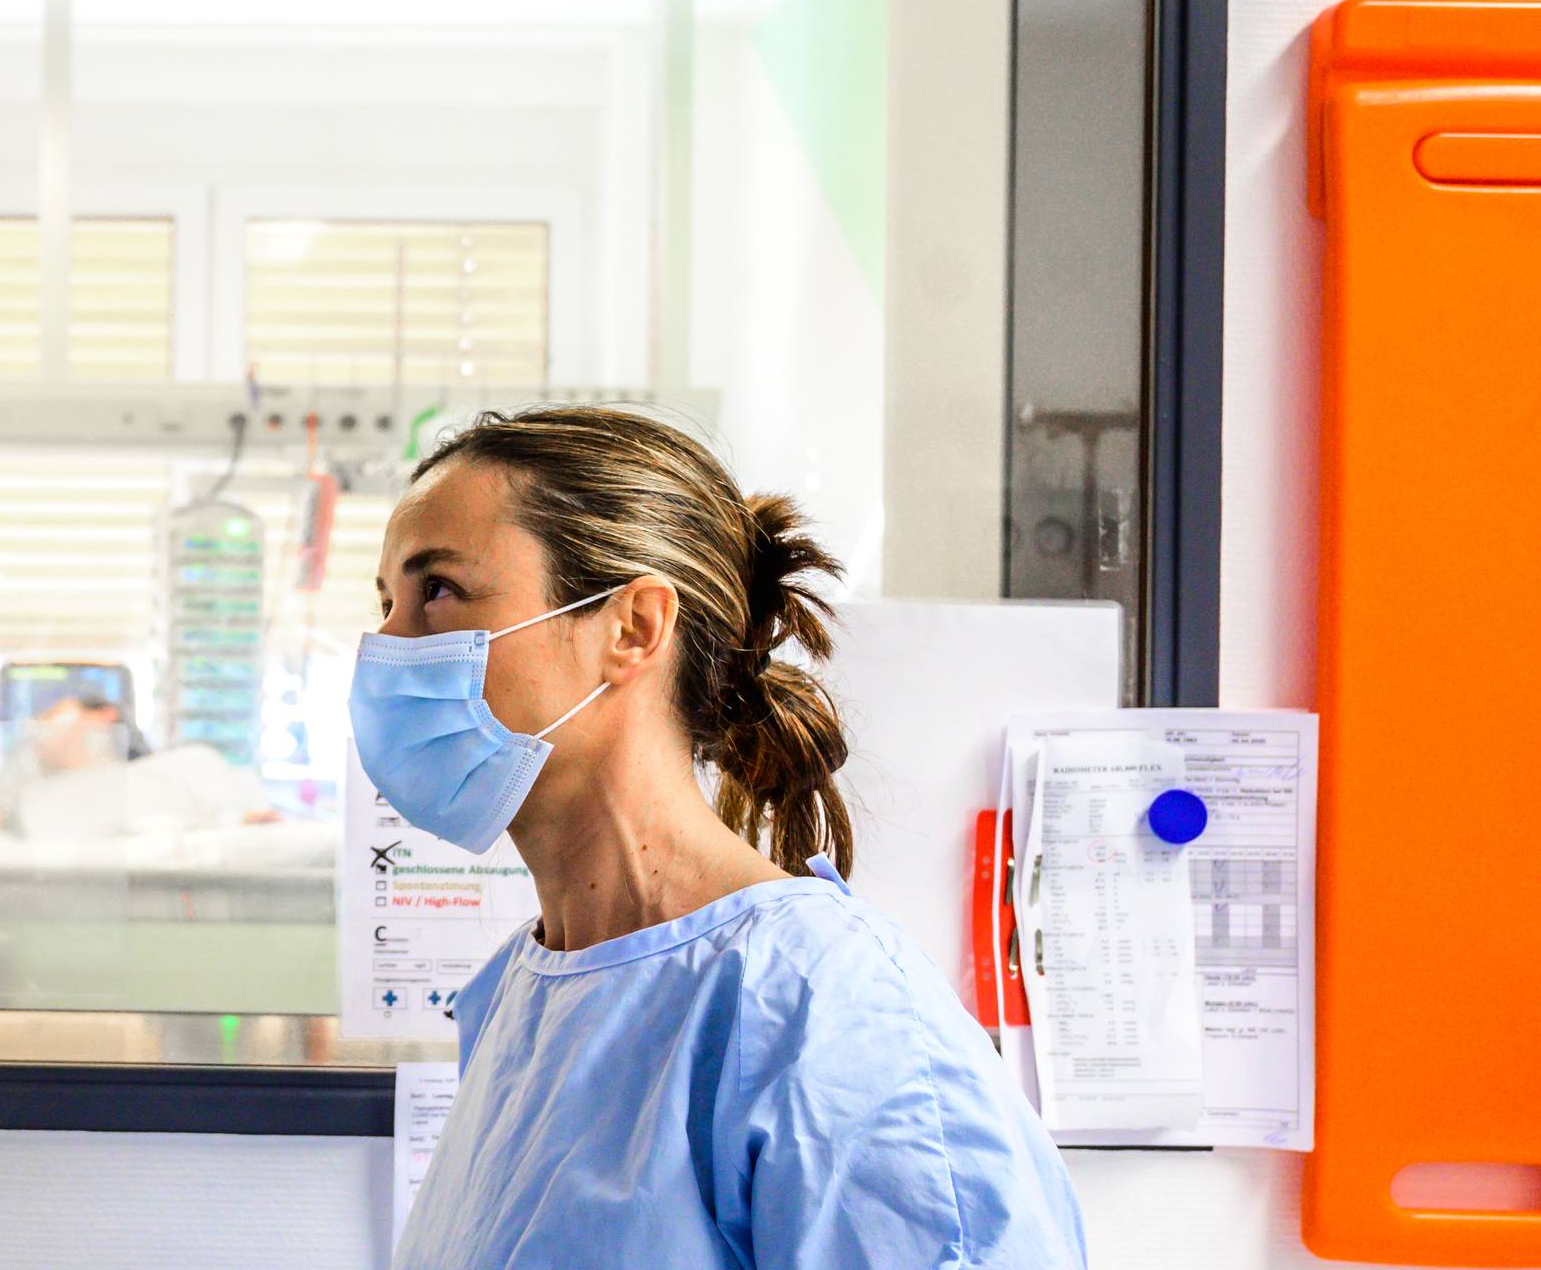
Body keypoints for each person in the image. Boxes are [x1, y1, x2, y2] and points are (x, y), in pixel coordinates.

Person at [364, 408, 1084, 1268]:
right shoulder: (531, 992)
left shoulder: (822, 1007)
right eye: (387, 603)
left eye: (437, 591)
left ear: (631, 629)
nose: (387, 645)